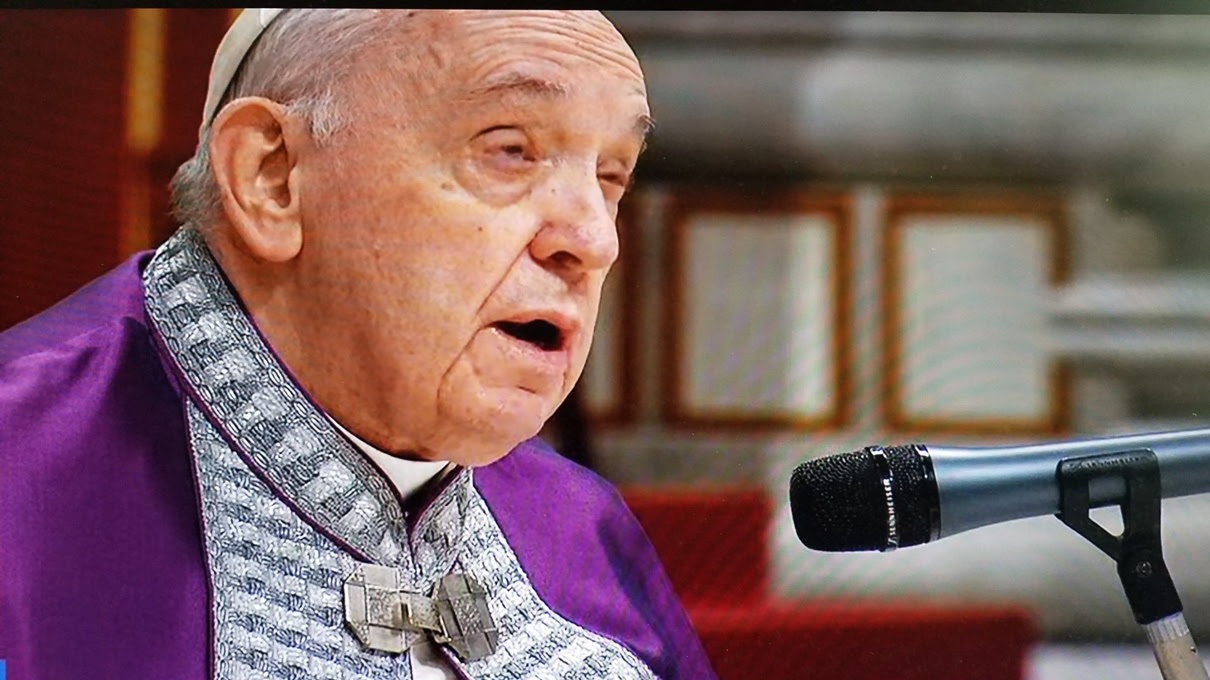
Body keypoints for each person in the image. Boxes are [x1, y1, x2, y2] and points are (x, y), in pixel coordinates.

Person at [0, 9, 716, 680]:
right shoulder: (20, 479)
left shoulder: (578, 530)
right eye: (510, 151)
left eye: (611, 175)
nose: (593, 241)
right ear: (271, 178)